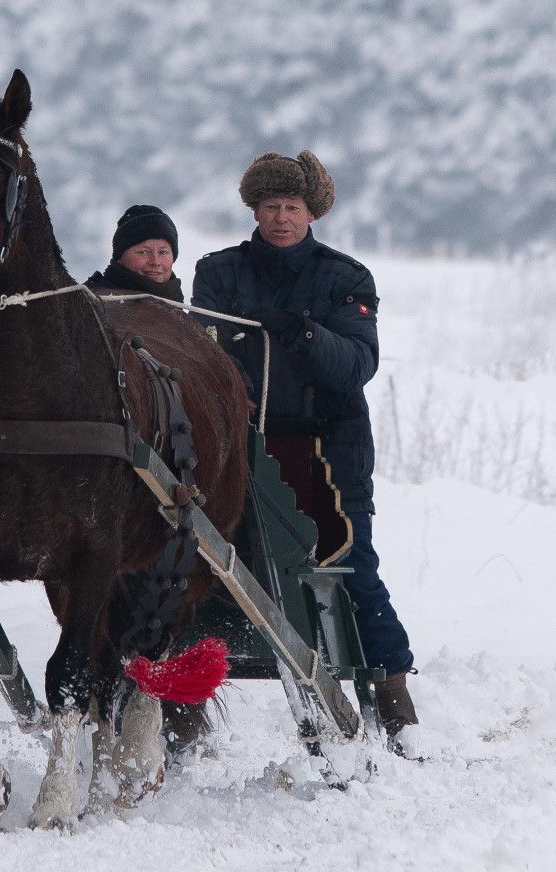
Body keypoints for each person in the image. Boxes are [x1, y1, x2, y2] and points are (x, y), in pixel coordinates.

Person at [191, 150, 420, 742]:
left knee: (352, 566)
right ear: (255, 209)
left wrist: (306, 332)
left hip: (329, 449)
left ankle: (394, 700)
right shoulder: (218, 272)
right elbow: (202, 355)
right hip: (240, 449)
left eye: (292, 207)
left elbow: (358, 365)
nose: (282, 218)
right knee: (214, 568)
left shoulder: (347, 278)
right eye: (271, 206)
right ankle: (185, 699)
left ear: (311, 212)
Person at [85, 205, 184, 301]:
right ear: (120, 257)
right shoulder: (87, 302)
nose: (155, 262)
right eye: (144, 252)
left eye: (163, 252)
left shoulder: (178, 307)